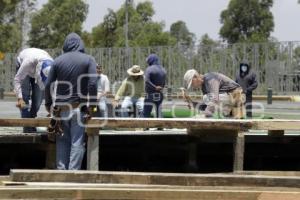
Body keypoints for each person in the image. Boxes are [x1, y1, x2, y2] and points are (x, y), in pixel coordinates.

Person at [45, 32, 98, 170]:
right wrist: (92, 107)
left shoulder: (57, 61)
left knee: (62, 141)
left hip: (60, 111)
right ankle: (73, 174)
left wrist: (48, 104)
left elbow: (47, 85)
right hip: (78, 108)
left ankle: (61, 173)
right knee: (77, 142)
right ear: (80, 43)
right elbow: (93, 84)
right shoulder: (89, 59)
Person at [14, 48, 53, 133]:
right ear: (38, 72)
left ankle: (32, 122)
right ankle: (27, 127)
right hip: (23, 64)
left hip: (36, 68)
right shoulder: (27, 62)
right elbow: (17, 80)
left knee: (38, 101)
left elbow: (51, 89)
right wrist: (20, 98)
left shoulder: (53, 65)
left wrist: (51, 109)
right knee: (25, 99)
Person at [143, 54, 166, 118]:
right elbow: (164, 82)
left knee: (146, 111)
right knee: (159, 111)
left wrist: (154, 87)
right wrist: (160, 88)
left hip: (150, 93)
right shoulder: (163, 69)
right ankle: (160, 125)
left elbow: (147, 81)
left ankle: (145, 126)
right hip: (160, 94)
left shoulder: (149, 69)